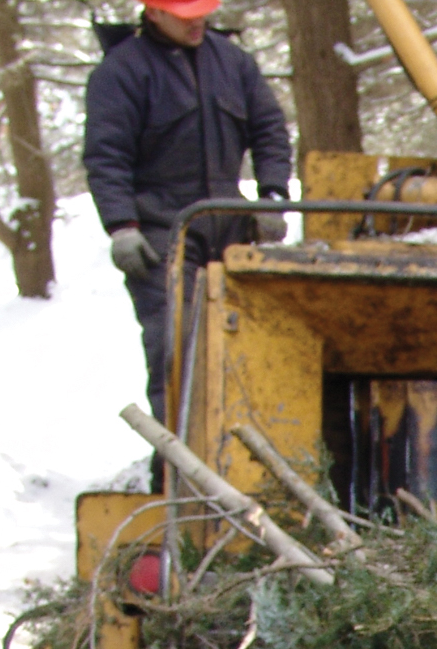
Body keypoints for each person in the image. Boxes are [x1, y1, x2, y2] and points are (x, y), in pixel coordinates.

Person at [83, 0, 292, 420]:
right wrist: (121, 226)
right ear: (155, 13)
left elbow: (270, 131)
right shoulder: (122, 72)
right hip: (163, 231)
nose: (197, 20)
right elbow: (107, 157)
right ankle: (176, 466)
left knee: (255, 341)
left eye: (202, 10)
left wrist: (272, 196)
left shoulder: (232, 61)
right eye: (184, 14)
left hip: (231, 225)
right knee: (175, 346)